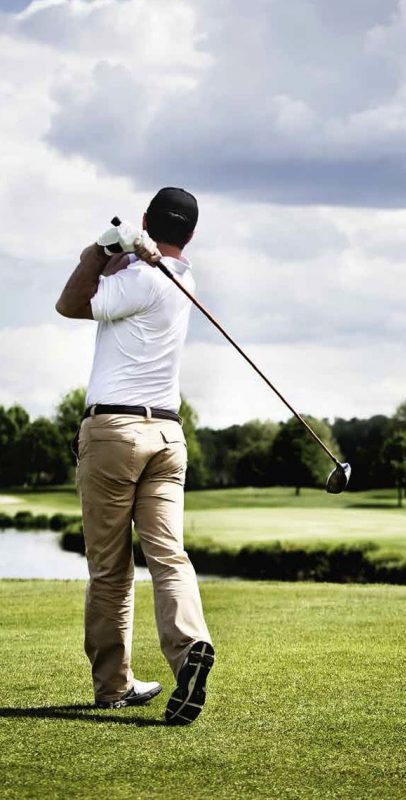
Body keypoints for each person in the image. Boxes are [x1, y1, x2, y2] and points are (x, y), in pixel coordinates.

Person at [55, 187, 214, 725]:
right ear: (190, 234)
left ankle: (113, 686)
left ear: (147, 220)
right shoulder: (182, 279)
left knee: (110, 568)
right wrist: (131, 248)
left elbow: (71, 302)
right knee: (169, 555)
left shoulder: (140, 278)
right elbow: (138, 265)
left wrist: (101, 247)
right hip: (167, 438)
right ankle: (190, 646)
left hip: (114, 432)